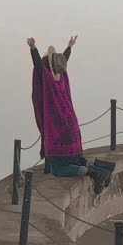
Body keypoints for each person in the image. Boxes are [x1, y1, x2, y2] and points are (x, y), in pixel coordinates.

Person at [28, 35, 115, 193]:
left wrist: (33, 49)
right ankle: (103, 167)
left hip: (58, 131)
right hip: (71, 125)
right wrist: (69, 47)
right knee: (75, 158)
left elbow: (39, 66)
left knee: (58, 168)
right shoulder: (63, 77)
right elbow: (63, 60)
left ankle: (95, 172)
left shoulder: (49, 80)